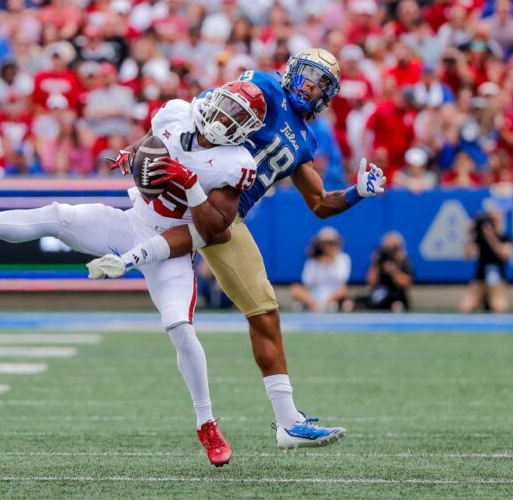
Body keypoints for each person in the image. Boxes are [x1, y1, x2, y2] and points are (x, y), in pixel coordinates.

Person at [0, 81, 267, 468]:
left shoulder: (237, 163)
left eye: (236, 117)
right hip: (133, 221)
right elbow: (152, 142)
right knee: (57, 215)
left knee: (180, 326)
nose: (223, 118)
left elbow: (212, 231)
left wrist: (188, 186)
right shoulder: (176, 113)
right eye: (225, 107)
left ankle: (206, 423)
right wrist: (133, 153)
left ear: (245, 129)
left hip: (176, 245)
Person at [89, 49, 386, 450]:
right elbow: (198, 114)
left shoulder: (306, 141)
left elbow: (318, 204)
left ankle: (288, 422)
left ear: (326, 96)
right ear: (292, 72)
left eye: (319, 85)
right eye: (307, 77)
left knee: (264, 311)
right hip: (197, 189)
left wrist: (356, 192)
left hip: (225, 215)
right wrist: (141, 149)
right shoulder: (261, 84)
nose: (309, 87)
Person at [459, 208, 513, 313]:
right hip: (480, 280)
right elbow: (467, 256)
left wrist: (491, 238)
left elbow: (504, 255)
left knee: (500, 309)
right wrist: (471, 234)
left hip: (497, 281)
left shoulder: (505, 237)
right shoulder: (479, 238)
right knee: (465, 307)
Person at [290, 227, 352, 313]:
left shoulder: (343, 258)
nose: (327, 246)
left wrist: (331, 262)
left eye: (330, 243)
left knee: (344, 290)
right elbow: (307, 282)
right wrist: (318, 261)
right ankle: (315, 305)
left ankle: (327, 304)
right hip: (314, 295)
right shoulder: (313, 260)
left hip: (334, 294)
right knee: (295, 289)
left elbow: (342, 279)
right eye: (325, 243)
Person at [362, 232, 414, 312]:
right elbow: (371, 283)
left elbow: (406, 284)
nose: (390, 251)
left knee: (397, 305)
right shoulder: (379, 260)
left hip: (397, 296)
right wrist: (375, 264)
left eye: (393, 248)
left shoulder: (405, 261)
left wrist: (394, 271)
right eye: (387, 248)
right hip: (380, 294)